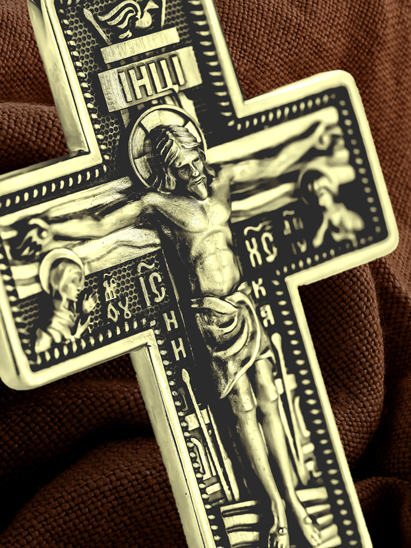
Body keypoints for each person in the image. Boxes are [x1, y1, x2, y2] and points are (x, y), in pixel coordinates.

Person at [26, 121, 327, 548]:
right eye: (183, 168)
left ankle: (294, 502)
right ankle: (275, 506)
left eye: (195, 160)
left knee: (270, 397)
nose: (195, 171)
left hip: (244, 305)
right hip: (212, 319)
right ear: (168, 171)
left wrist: (313, 138)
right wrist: (51, 229)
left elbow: (271, 163)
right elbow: (101, 223)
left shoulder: (222, 183)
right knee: (243, 408)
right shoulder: (159, 204)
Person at [35, 249, 97, 353]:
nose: (80, 287)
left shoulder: (73, 315)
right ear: (60, 283)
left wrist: (84, 313)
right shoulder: (51, 327)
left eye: (80, 281)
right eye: (73, 281)